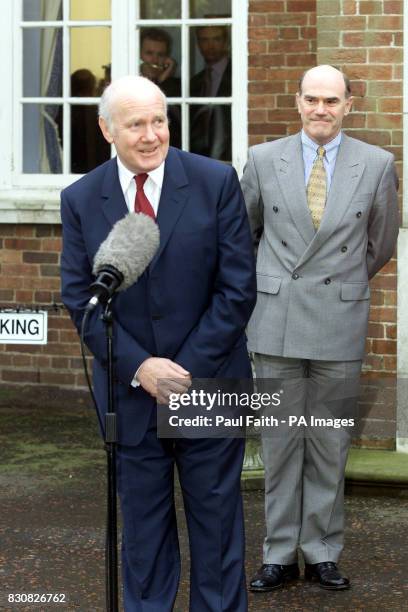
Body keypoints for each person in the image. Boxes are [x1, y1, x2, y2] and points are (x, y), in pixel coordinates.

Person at [60, 75, 256, 611]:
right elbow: (81, 299)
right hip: (129, 395)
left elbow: (237, 289)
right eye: (136, 124)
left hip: (209, 381)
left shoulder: (215, 182)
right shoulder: (80, 198)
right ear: (106, 129)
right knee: (142, 534)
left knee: (216, 525)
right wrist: (141, 367)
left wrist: (181, 371)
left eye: (159, 120)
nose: (151, 135)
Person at [241, 65, 399, 592]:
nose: (321, 110)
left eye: (332, 101)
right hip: (277, 319)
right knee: (281, 442)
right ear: (298, 101)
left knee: (330, 444)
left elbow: (379, 244)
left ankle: (322, 552)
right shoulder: (264, 159)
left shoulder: (377, 164)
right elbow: (247, 232)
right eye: (312, 99)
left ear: (349, 105)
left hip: (338, 318)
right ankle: (279, 554)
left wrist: (340, 286)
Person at [190, 25, 231, 161]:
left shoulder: (237, 77)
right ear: (198, 43)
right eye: (204, 40)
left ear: (226, 42)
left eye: (216, 39)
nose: (210, 46)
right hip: (198, 157)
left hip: (229, 155)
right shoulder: (194, 82)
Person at [140, 27, 181, 148]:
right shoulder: (128, 80)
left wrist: (163, 80)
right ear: (139, 55)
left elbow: (175, 125)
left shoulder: (175, 86)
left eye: (160, 55)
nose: (155, 60)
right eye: (149, 53)